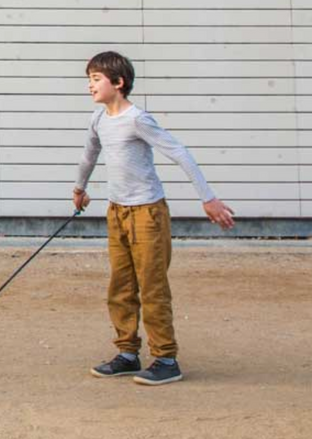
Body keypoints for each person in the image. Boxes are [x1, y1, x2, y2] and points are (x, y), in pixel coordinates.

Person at [74, 51, 235, 386]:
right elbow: (90, 153)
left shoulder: (137, 119)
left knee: (152, 286)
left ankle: (165, 359)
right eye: (88, 79)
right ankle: (128, 353)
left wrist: (208, 198)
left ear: (118, 83)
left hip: (148, 213)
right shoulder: (99, 119)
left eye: (96, 79)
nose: (90, 86)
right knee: (120, 285)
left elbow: (179, 152)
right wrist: (80, 188)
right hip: (116, 211)